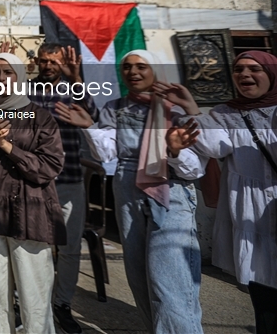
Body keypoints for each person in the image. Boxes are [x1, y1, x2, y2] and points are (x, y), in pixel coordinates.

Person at [56, 50, 204, 334]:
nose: (133, 72)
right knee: (139, 277)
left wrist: (172, 149)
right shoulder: (115, 108)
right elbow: (108, 153)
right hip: (127, 193)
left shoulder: (176, 108)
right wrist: (90, 126)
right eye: (126, 67)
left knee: (169, 280)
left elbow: (195, 169)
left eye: (141, 66)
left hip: (170, 193)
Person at [0, 52, 66, 334]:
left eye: (8, 72)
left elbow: (49, 167)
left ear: (20, 77)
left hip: (31, 214)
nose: (0, 78)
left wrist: (8, 147)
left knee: (33, 292)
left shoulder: (41, 117)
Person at [190, 51, 277, 320]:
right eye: (238, 69)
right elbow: (213, 146)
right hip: (251, 214)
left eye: (254, 69)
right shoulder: (224, 114)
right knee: (264, 300)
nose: (244, 75)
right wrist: (191, 110)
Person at [27, 43, 97, 334]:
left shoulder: (73, 89)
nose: (48, 66)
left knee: (69, 249)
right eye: (44, 61)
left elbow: (93, 117)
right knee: (36, 247)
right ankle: (35, 305)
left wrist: (77, 79)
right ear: (37, 62)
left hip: (69, 181)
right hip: (36, 183)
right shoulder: (27, 93)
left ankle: (62, 305)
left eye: (53, 61)